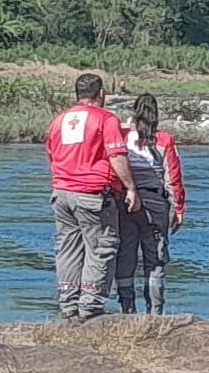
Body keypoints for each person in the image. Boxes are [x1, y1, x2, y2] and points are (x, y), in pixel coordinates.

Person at [44, 71, 142, 319]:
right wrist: (131, 187)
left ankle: (68, 305)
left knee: (68, 247)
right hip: (92, 194)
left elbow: (51, 155)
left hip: (62, 193)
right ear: (102, 94)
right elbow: (117, 156)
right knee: (101, 247)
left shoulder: (58, 121)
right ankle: (91, 306)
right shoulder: (105, 119)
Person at [113, 94, 188, 314]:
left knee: (126, 255)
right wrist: (179, 209)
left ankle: (127, 308)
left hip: (126, 202)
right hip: (156, 204)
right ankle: (155, 311)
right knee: (155, 259)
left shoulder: (123, 137)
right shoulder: (164, 140)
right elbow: (173, 178)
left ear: (134, 113)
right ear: (156, 115)